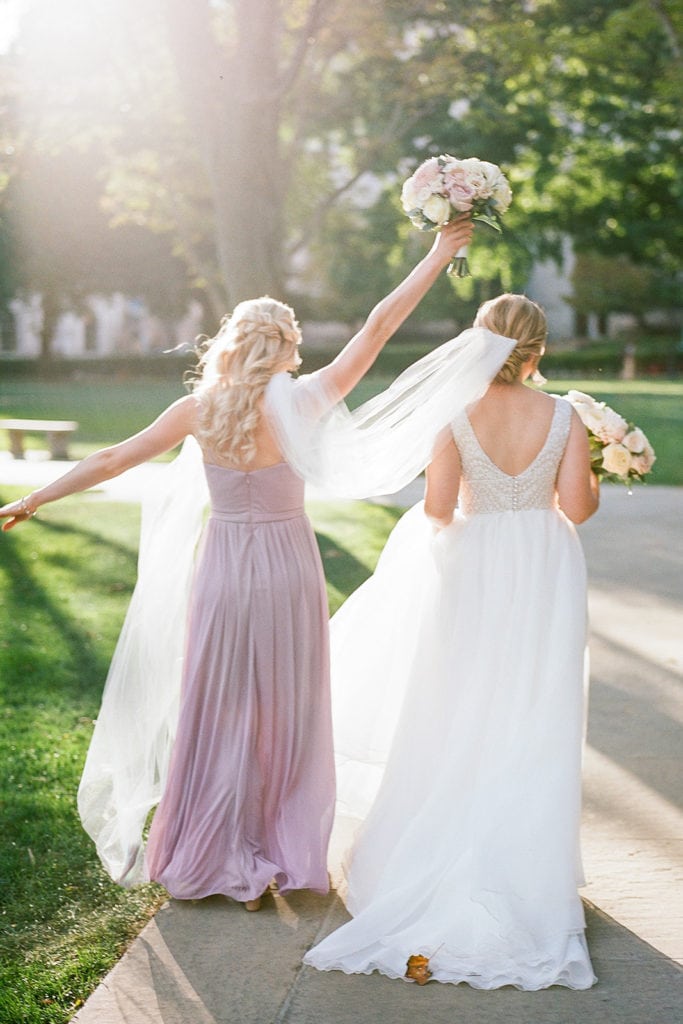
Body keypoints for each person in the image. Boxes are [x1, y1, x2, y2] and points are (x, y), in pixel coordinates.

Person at [0, 217, 473, 911]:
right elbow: (375, 328)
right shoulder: (305, 402)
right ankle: (279, 852)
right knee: (286, 709)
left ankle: (217, 851)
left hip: (222, 566)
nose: (300, 352)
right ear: (280, 347)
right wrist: (437, 253)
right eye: (296, 341)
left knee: (219, 707)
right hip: (286, 564)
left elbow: (110, 459)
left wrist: (35, 498)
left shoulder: (196, 409)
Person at [304, 293, 601, 988]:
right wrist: (587, 466)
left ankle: (438, 851)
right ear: (538, 351)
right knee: (533, 714)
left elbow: (437, 508)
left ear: (478, 344)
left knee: (458, 708)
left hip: (472, 570)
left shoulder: (453, 414)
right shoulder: (563, 416)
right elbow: (578, 509)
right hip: (543, 569)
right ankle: (528, 871)